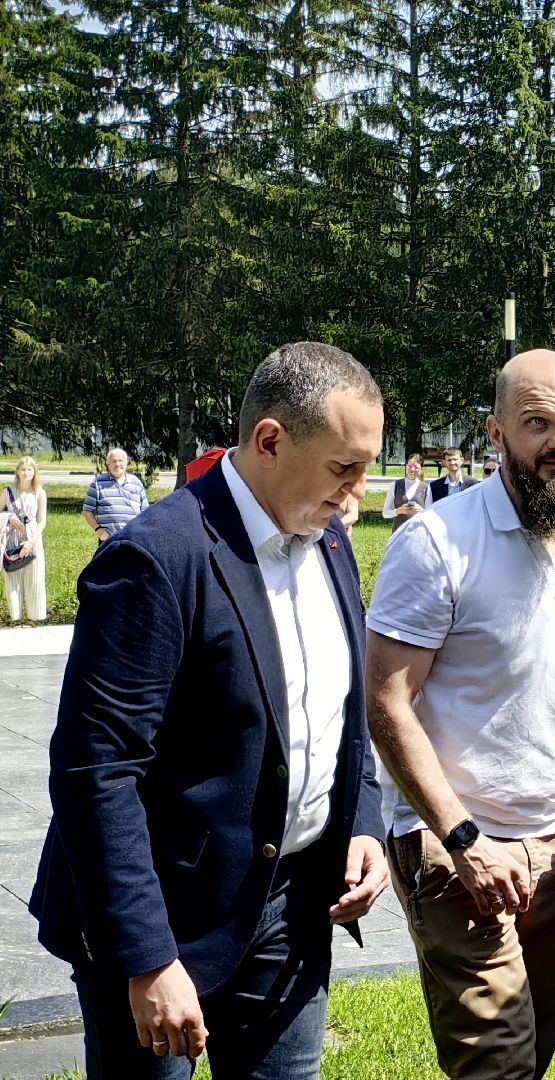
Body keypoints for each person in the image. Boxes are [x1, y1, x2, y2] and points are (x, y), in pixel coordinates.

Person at [30, 341, 390, 1078]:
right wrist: (146, 958)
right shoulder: (155, 560)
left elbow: (343, 711)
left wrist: (361, 823)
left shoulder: (327, 541)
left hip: (291, 908)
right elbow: (94, 772)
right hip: (165, 922)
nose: (357, 494)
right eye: (344, 468)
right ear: (270, 441)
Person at [365, 349, 555, 1080]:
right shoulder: (437, 542)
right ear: (496, 432)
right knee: (498, 1070)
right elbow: (385, 701)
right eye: (537, 422)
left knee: (532, 1059)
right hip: (456, 850)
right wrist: (460, 837)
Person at [2, 456, 48, 624]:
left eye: (29, 469)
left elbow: (42, 520)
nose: (26, 472)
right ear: (17, 472)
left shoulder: (40, 493)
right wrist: (8, 518)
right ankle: (16, 618)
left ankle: (33, 618)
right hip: (12, 536)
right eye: (23, 469)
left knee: (34, 577)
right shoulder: (7, 491)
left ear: (34, 472)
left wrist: (31, 542)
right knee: (12, 577)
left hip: (33, 536)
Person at [82, 447, 150, 544]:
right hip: (109, 540)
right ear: (108, 464)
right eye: (113, 461)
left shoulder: (136, 483)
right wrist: (98, 530)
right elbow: (87, 511)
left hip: (133, 539)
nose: (117, 464)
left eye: (120, 461)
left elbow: (146, 512)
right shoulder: (98, 483)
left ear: (126, 463)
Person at [383, 453, 431, 531]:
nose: (412, 469)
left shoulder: (426, 488)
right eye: (410, 466)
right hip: (398, 533)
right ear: (406, 465)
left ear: (421, 469)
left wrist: (420, 510)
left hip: (418, 533)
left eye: (416, 467)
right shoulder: (395, 485)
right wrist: (398, 511)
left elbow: (430, 516)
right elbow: (385, 514)